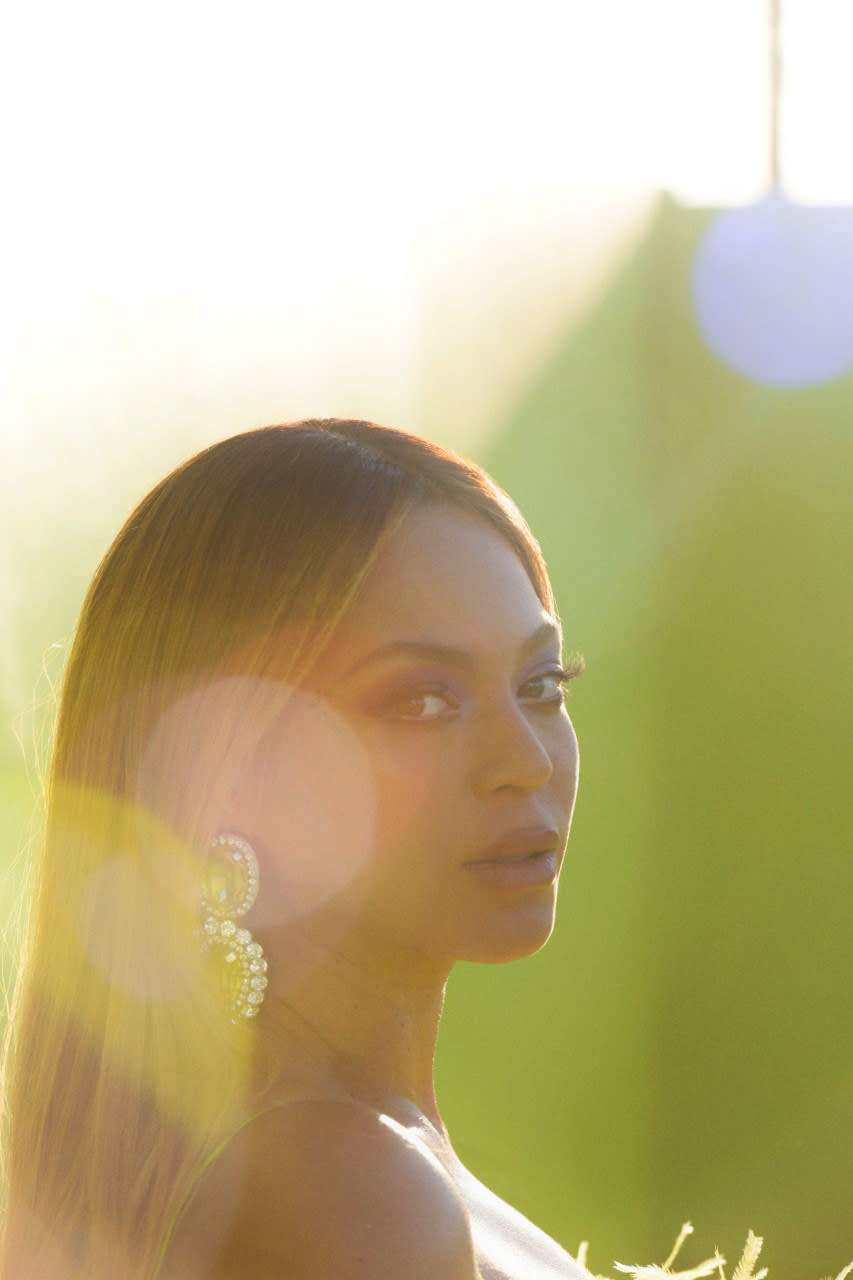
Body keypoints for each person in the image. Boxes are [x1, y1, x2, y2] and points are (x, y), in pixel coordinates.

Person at [0, 418, 587, 1278]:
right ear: (231, 765)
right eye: (422, 701)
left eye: (540, 685)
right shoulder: (348, 1193)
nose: (525, 762)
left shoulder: (322, 1152)